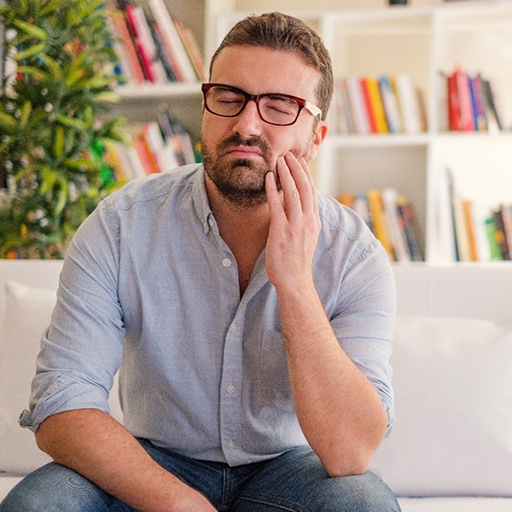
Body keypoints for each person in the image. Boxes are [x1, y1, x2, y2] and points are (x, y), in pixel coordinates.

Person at [0, 11, 400, 512]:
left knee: (363, 503)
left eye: (279, 106)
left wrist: (295, 281)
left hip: (289, 471)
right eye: (229, 98)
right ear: (206, 109)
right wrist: (178, 502)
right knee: (36, 505)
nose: (246, 124)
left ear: (316, 137)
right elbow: (62, 401)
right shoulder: (121, 225)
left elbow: (350, 452)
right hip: (155, 460)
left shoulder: (354, 255)